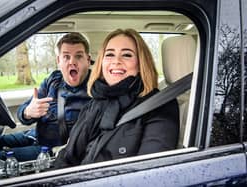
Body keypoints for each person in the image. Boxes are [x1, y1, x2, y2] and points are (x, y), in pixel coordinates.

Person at [53, 28, 179, 169]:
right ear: (102, 63)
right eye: (110, 55)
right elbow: (68, 155)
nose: (116, 61)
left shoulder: (159, 106)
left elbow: (149, 174)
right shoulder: (94, 105)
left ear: (140, 64)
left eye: (126, 55)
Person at [0, 32, 92, 161]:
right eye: (66, 57)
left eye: (78, 56)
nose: (72, 62)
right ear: (58, 61)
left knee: (1, 158)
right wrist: (28, 112)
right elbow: (23, 112)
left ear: (88, 60)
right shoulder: (54, 80)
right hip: (33, 135)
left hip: (53, 150)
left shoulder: (96, 89)